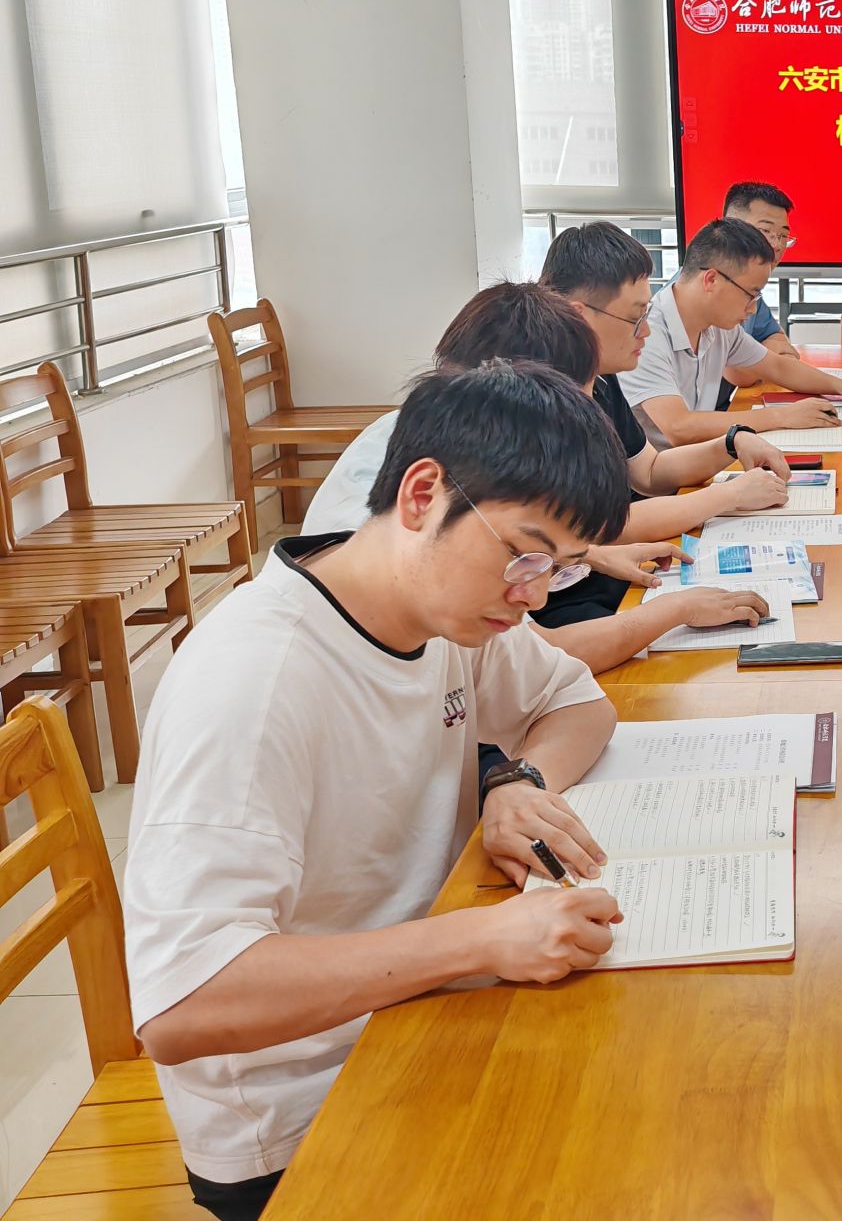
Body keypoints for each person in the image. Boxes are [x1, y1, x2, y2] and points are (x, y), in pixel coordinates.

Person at [125, 363, 630, 1219]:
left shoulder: (447, 614)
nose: (535, 595)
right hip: (307, 1116)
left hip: (430, 1014)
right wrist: (478, 940)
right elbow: (183, 1002)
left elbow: (578, 704)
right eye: (524, 554)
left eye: (558, 567)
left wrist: (516, 781)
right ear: (423, 495)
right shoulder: (254, 681)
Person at [302, 281, 785, 670]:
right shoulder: (400, 545)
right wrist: (674, 609)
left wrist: (588, 555)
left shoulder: (460, 458)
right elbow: (541, 658)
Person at [619, 218, 842, 450]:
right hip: (660, 474)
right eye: (751, 294)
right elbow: (678, 427)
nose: (753, 308)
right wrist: (781, 416)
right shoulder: (646, 334)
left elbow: (777, 367)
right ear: (711, 280)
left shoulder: (718, 327)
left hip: (699, 459)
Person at [717, 181, 802, 406]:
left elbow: (780, 340)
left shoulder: (749, 288)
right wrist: (767, 357)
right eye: (765, 231)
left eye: (783, 236)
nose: (777, 245)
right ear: (729, 229)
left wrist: (763, 357)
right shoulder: (711, 285)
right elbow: (738, 373)